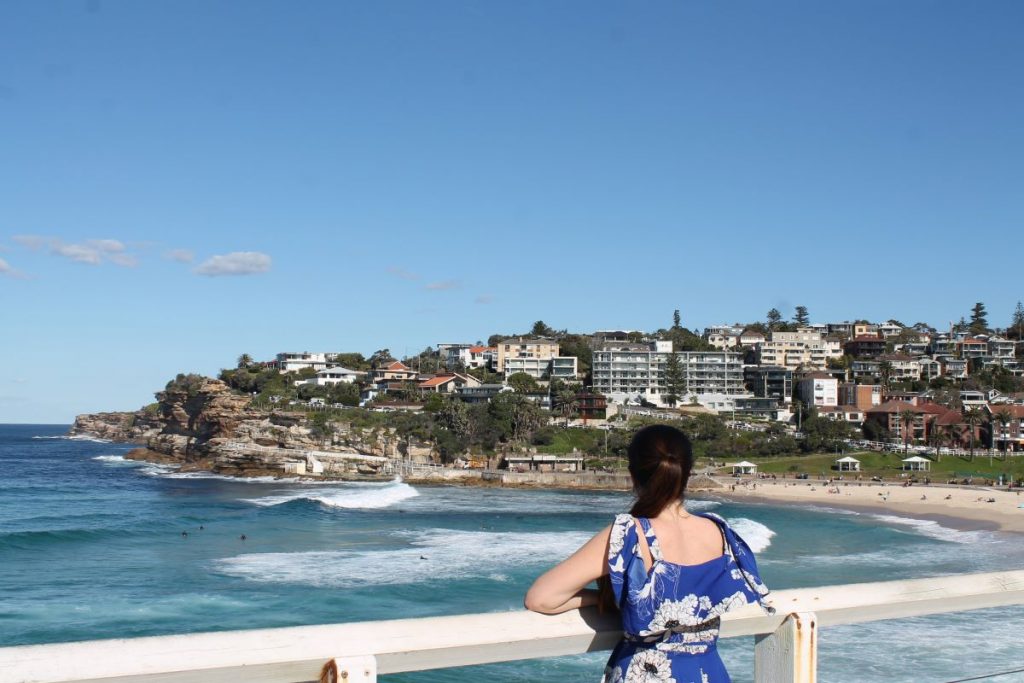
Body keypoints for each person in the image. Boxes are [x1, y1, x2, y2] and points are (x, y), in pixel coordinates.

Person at [525, 425, 772, 682]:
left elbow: (541, 598)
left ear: (633, 475)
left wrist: (603, 600)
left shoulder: (629, 534)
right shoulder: (719, 531)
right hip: (707, 672)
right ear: (687, 473)